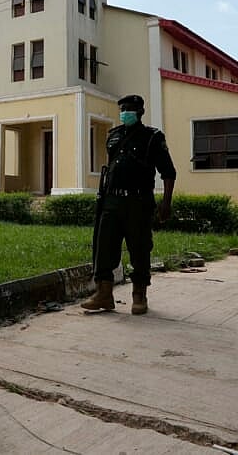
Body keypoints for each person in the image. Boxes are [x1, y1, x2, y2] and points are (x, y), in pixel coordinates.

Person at [82, 94, 176, 315]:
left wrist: (166, 202)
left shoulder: (152, 137)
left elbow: (168, 172)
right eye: (123, 108)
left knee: (139, 248)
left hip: (138, 201)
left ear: (141, 112)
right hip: (111, 200)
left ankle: (139, 294)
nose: (125, 112)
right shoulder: (113, 136)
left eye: (130, 109)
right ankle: (104, 294)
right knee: (103, 248)